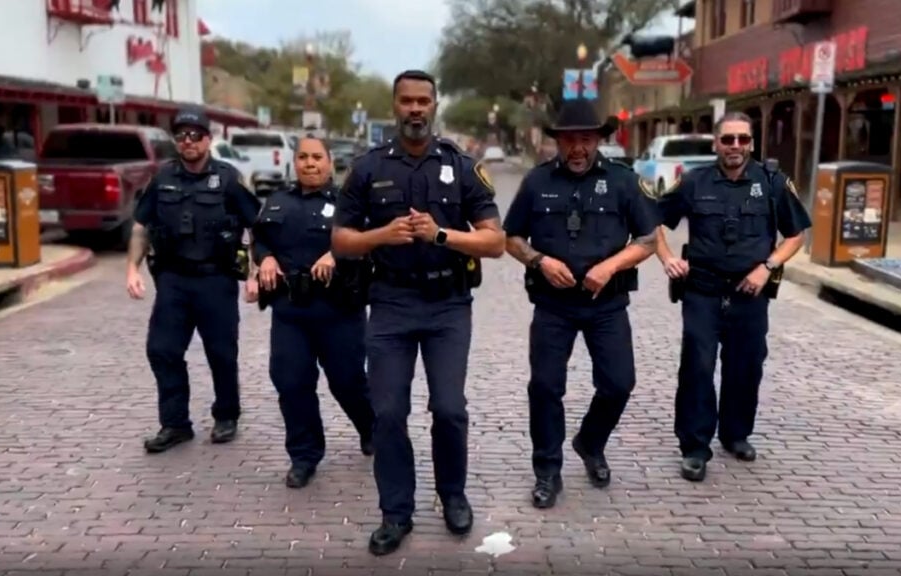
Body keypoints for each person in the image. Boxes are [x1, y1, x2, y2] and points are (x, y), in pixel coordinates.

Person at [331, 69, 505, 556]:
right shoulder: (367, 168)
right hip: (389, 303)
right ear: (395, 107)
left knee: (449, 408)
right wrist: (379, 236)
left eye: (422, 101)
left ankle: (452, 495)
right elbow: (341, 239)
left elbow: (494, 241)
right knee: (388, 412)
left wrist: (441, 235)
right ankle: (395, 511)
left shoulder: (460, 166)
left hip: (448, 305)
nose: (414, 109)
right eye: (406, 101)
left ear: (434, 105)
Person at [503, 99, 662, 509]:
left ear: (599, 141)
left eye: (586, 140)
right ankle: (547, 472)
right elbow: (512, 237)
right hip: (553, 304)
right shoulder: (537, 182)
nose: (578, 148)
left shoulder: (624, 181)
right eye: (570, 140)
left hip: (606, 303)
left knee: (619, 383)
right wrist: (540, 260)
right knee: (544, 388)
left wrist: (610, 267)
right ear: (558, 142)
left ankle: (591, 442)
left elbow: (648, 239)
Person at [654, 111, 812, 482]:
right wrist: (667, 258)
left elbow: (796, 235)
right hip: (703, 290)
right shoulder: (694, 182)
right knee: (698, 366)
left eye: (743, 139)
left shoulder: (772, 183)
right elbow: (652, 220)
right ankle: (695, 447)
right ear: (716, 143)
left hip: (750, 291)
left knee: (746, 366)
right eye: (728, 140)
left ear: (752, 143)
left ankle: (735, 433)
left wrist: (767, 267)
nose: (735, 146)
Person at [126, 107, 262, 454]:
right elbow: (141, 225)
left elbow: (256, 224)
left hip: (216, 280)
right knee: (162, 350)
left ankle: (226, 415)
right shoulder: (163, 178)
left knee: (221, 353)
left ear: (208, 139)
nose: (188, 141)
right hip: (173, 280)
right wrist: (132, 268)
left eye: (195, 135)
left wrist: (256, 272)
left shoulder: (228, 178)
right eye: (182, 135)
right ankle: (175, 424)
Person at [247, 136, 376, 489]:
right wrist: (265, 258)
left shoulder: (348, 205)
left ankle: (371, 427)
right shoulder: (277, 200)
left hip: (338, 310)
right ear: (295, 162)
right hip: (290, 311)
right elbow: (259, 238)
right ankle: (304, 455)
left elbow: (369, 241)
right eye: (303, 157)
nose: (310, 163)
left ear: (330, 162)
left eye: (317, 157)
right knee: (291, 383)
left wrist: (337, 253)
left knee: (347, 381)